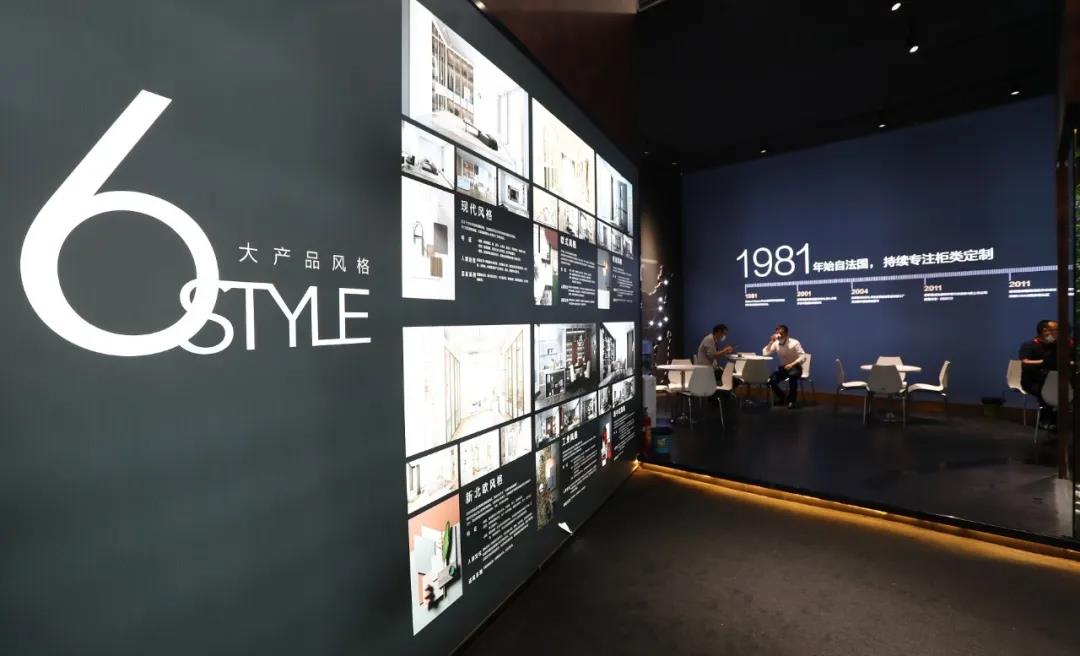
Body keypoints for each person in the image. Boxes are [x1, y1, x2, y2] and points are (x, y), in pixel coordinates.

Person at [1019, 319, 1058, 428]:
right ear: (1045, 331)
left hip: (1051, 380)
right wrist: (1043, 362)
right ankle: (1046, 421)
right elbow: (1025, 362)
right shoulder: (1029, 345)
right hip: (1032, 382)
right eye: (1055, 330)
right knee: (1048, 392)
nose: (1057, 332)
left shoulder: (1055, 346)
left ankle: (1054, 422)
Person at [762, 324, 806, 408]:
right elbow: (765, 354)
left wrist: (792, 364)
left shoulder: (794, 342)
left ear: (786, 334)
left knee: (792, 376)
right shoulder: (776, 343)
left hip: (795, 367)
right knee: (771, 380)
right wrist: (771, 342)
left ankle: (791, 401)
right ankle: (782, 397)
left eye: (781, 333)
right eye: (778, 333)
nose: (779, 335)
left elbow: (803, 356)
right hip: (784, 368)